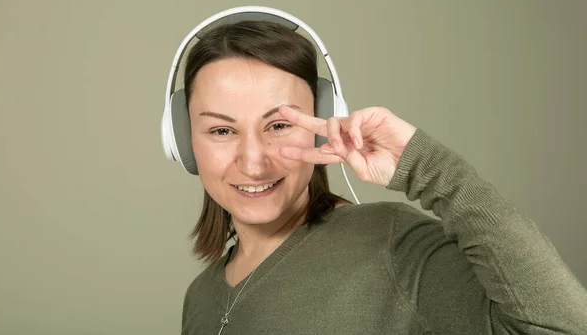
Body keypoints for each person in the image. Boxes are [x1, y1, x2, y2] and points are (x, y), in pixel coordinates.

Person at [178, 20, 587, 334]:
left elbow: (560, 327)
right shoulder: (200, 297)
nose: (254, 162)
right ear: (182, 140)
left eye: (280, 125)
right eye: (221, 130)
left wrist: (428, 168)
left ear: (323, 120)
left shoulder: (389, 242)